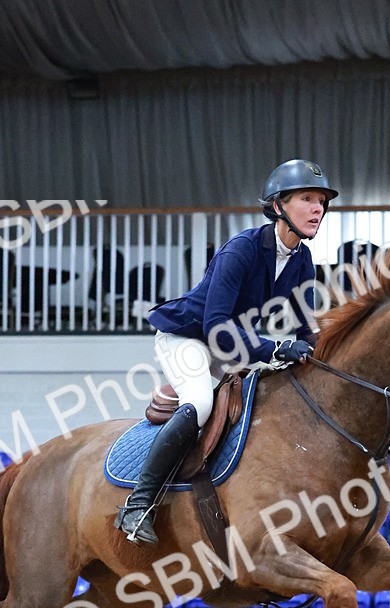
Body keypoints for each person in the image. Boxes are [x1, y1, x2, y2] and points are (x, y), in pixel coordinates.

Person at [115, 159, 338, 544]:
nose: (317, 208)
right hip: (188, 337)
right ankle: (138, 505)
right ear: (278, 205)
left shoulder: (302, 262)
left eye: (321, 201)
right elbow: (216, 325)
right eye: (307, 199)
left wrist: (331, 364)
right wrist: (277, 348)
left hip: (231, 344)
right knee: (201, 402)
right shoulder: (242, 250)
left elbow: (306, 330)